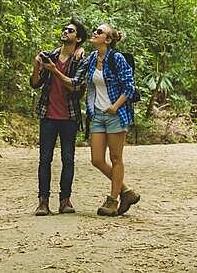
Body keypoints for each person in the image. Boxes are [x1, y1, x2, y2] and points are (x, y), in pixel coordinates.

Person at [44, 22, 141, 217]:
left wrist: (115, 106)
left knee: (115, 158)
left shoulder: (117, 59)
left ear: (108, 39)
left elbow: (129, 87)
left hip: (116, 113)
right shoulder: (90, 58)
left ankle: (113, 200)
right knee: (96, 159)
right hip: (97, 114)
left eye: (99, 32)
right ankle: (126, 191)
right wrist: (54, 69)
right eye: (95, 30)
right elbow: (75, 83)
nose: (95, 33)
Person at [30, 19, 87, 216]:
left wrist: (54, 70)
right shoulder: (50, 55)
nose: (65, 32)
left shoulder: (80, 59)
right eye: (64, 29)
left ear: (77, 38)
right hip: (48, 114)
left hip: (69, 116)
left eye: (70, 30)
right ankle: (43, 202)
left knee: (68, 159)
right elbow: (35, 84)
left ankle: (65, 200)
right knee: (44, 159)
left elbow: (75, 85)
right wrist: (37, 66)